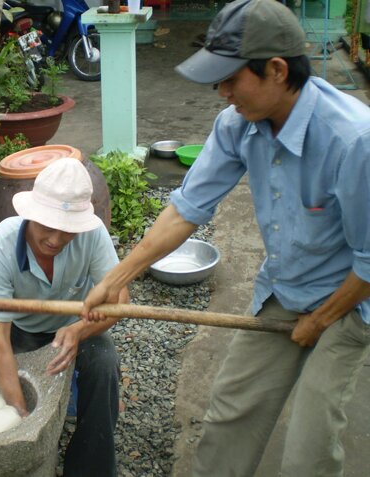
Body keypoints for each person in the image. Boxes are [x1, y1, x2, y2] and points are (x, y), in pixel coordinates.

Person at [81, 0, 370, 475]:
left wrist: (319, 322)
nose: (221, 92)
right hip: (284, 287)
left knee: (309, 446)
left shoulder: (351, 141)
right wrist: (117, 276)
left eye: (231, 79)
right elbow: (185, 211)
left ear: (277, 70)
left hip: (346, 302)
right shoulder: (238, 125)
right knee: (231, 412)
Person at [0, 158, 129, 477]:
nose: (55, 239)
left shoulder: (92, 236)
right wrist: (21, 420)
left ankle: (91, 467)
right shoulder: (1, 243)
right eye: (47, 227)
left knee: (104, 365)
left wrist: (79, 330)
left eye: (67, 231)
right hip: (19, 329)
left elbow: (120, 300)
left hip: (77, 325)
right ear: (31, 216)